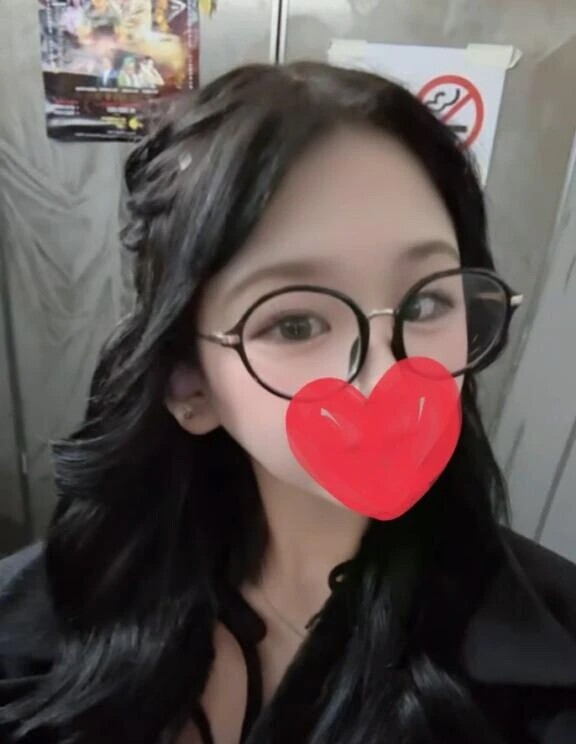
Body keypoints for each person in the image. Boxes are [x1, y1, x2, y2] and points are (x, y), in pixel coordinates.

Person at [0, 63, 575, 744]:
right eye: (296, 324)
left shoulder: (552, 664)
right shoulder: (43, 619)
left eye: (426, 303)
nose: (387, 377)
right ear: (190, 387)